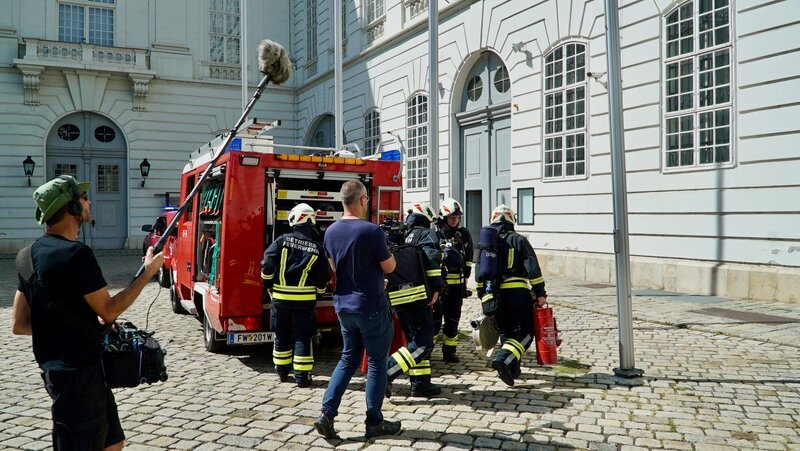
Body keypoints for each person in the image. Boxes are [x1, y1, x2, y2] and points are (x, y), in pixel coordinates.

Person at [12, 175, 164, 451]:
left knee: (113, 441)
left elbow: (19, 323)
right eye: (83, 198)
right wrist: (148, 273)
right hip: (77, 375)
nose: (89, 202)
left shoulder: (26, 256)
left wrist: (67, 324)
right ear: (71, 208)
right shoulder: (76, 254)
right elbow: (109, 311)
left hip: (71, 372)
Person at [314, 180, 401, 439]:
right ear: (362, 200)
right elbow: (389, 267)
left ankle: (327, 414)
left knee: (347, 359)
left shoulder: (330, 231)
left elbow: (335, 266)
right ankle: (374, 422)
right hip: (371, 306)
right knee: (376, 364)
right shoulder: (372, 231)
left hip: (344, 307)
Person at [475, 204, 548, 387]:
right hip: (517, 293)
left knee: (506, 331)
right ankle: (503, 359)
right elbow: (533, 269)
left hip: (493, 294)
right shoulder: (519, 239)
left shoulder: (488, 244)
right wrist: (540, 293)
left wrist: (482, 294)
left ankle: (512, 368)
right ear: (511, 220)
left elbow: (479, 272)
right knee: (526, 332)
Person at [261, 203, 329, 388]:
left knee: (281, 334)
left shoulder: (281, 240)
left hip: (281, 299)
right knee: (303, 336)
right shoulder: (317, 247)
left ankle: (282, 372)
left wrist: (268, 284)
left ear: (293, 219)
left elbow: (267, 263)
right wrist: (319, 293)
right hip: (306, 301)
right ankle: (302, 376)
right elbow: (324, 276)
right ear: (311, 221)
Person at [385, 201, 442, 398]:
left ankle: (420, 383)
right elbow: (432, 262)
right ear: (426, 217)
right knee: (424, 343)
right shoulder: (427, 234)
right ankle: (387, 371)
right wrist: (436, 288)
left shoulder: (400, 234)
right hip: (418, 295)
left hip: (398, 296)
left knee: (413, 339)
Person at [433, 198, 474, 363]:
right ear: (444, 217)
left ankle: (449, 352)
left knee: (453, 319)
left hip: (457, 286)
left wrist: (466, 278)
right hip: (441, 286)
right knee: (435, 321)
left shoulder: (464, 234)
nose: (455, 220)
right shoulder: (435, 234)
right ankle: (426, 352)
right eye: (452, 217)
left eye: (457, 217)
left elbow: (469, 257)